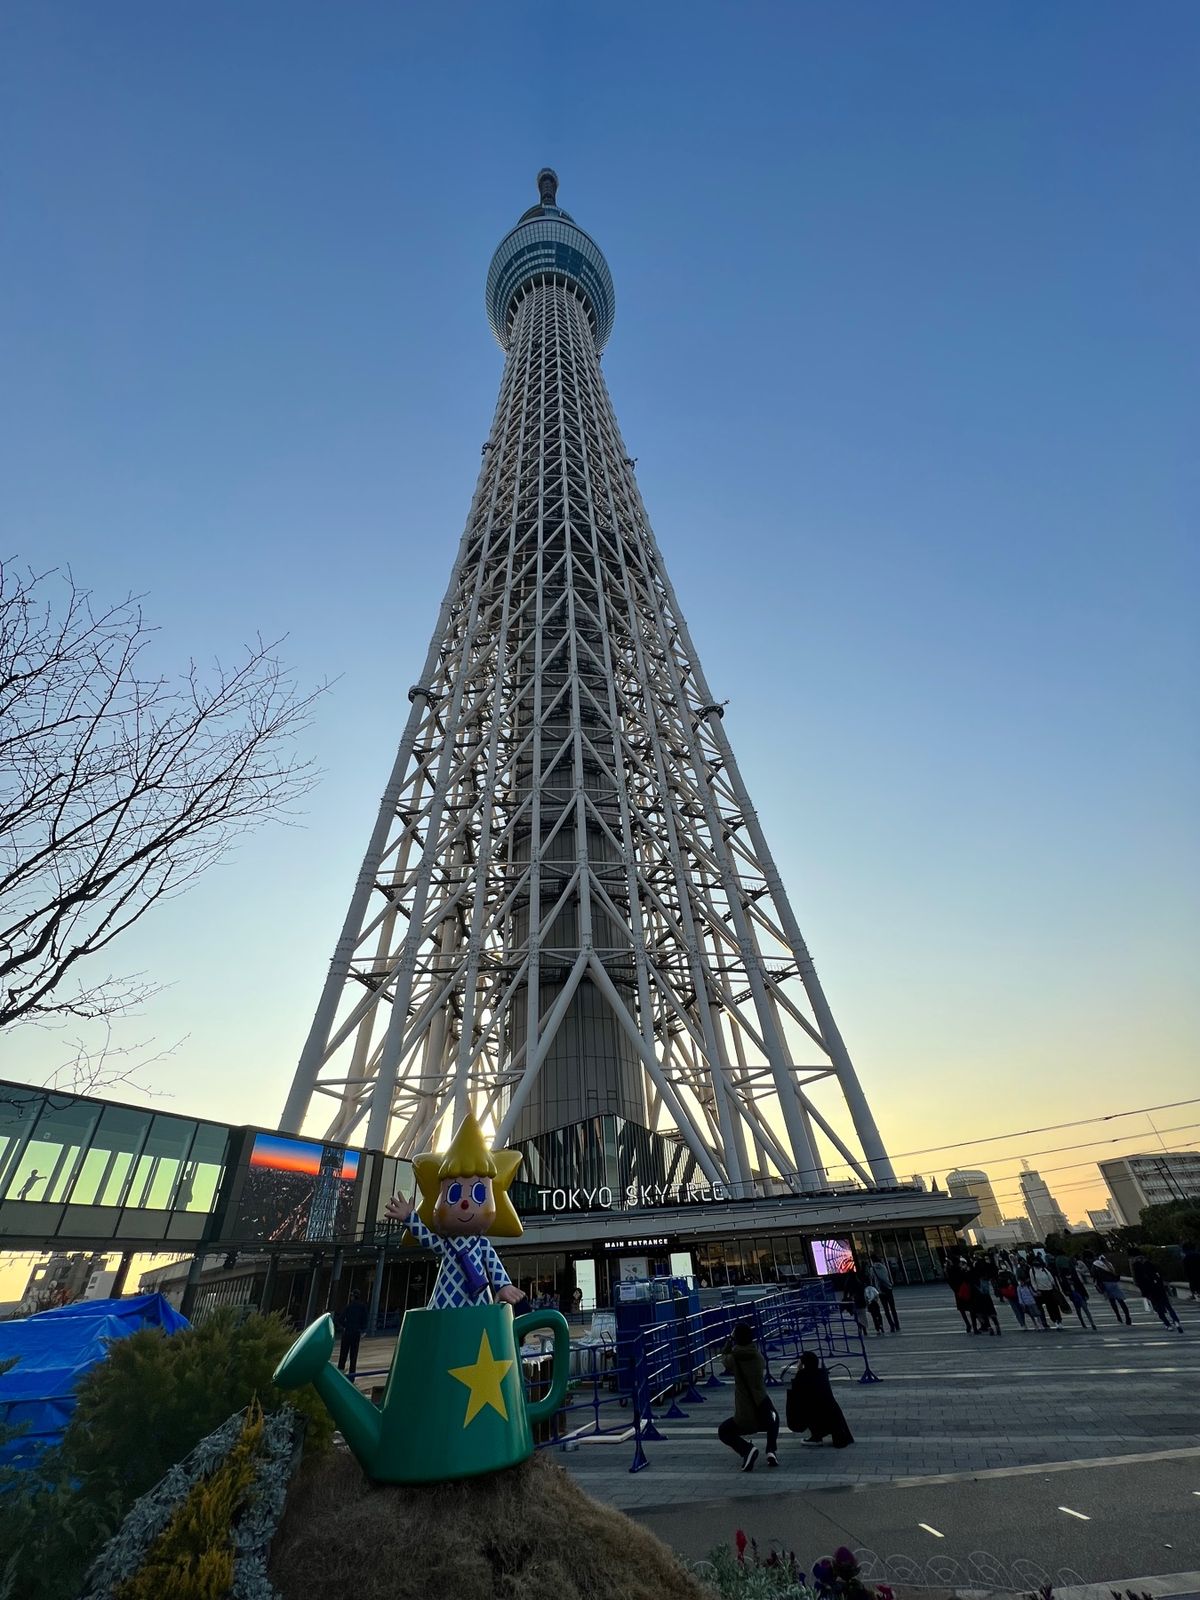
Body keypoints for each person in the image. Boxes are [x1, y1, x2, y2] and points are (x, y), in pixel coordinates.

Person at [717, 1323, 780, 1471]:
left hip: (745, 1412)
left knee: (723, 1431)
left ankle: (747, 1449)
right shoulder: (758, 1357)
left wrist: (729, 1341)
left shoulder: (733, 1359)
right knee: (774, 1417)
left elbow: (723, 1357)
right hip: (762, 1404)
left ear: (736, 1338)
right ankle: (771, 1450)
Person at [785, 1350, 853, 1448]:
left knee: (804, 1406)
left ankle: (816, 1436)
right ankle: (818, 1435)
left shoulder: (802, 1375)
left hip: (816, 1413)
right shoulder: (822, 1373)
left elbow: (796, 1394)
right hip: (832, 1412)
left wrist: (799, 1370)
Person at [1130, 1253, 1182, 1332]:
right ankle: (1176, 1321)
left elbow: (1139, 1284)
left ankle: (1167, 1324)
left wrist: (1145, 1294)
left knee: (1159, 1310)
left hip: (1151, 1293)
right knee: (1168, 1307)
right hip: (1160, 1290)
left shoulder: (1138, 1272)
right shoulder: (1152, 1266)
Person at [1088, 1253, 1132, 1325]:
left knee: (1112, 1301)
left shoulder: (1095, 1264)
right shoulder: (1108, 1264)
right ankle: (1128, 1317)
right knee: (1121, 1301)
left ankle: (1118, 1316)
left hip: (1105, 1284)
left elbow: (1093, 1274)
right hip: (1113, 1283)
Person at [337, 1290, 369, 1379]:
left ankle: (340, 1374)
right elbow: (365, 1320)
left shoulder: (348, 1306)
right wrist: (362, 1330)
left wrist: (345, 1326)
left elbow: (340, 1319)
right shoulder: (362, 1307)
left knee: (343, 1355)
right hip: (356, 1333)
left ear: (352, 1297)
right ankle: (352, 1377)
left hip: (347, 1332)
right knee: (353, 1356)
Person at [1059, 1261, 1097, 1330]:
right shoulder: (1066, 1280)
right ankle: (1086, 1322)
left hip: (1078, 1294)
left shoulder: (1070, 1279)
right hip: (1075, 1295)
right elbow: (1066, 1290)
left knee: (1084, 1309)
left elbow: (1080, 1286)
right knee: (1080, 1310)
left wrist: (1085, 1294)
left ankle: (1091, 1323)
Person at [1028, 1257, 1063, 1327]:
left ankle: (1059, 1319)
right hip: (1042, 1291)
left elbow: (1051, 1278)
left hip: (1050, 1289)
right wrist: (1036, 1290)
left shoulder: (1044, 1269)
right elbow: (1033, 1281)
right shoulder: (1032, 1270)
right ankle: (1055, 1320)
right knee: (1049, 1306)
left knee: (1055, 1305)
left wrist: (1054, 1285)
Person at [869, 1254, 900, 1332]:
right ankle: (897, 1325)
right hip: (888, 1289)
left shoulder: (872, 1269)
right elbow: (887, 1277)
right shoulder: (884, 1267)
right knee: (893, 1308)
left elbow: (872, 1280)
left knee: (886, 1310)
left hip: (881, 1291)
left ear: (872, 1260)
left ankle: (892, 1326)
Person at [945, 1258, 975, 1333]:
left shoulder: (949, 1272)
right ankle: (974, 1326)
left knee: (962, 1309)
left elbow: (950, 1282)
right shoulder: (960, 1270)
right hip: (965, 1290)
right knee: (971, 1308)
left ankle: (968, 1324)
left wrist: (955, 1290)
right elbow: (967, 1278)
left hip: (958, 1292)